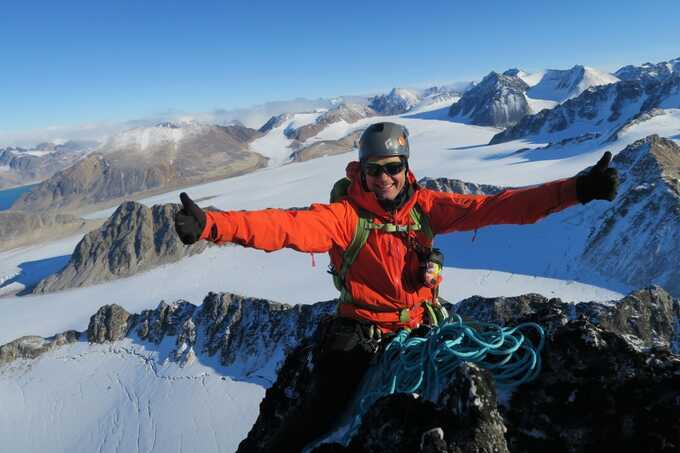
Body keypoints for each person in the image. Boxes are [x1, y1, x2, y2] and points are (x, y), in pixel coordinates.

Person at [174, 122, 618, 451]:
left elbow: (497, 207)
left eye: (392, 168)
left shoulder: (426, 208)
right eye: (373, 170)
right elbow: (286, 226)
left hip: (421, 327)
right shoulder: (345, 217)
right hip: (361, 334)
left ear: (406, 169)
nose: (383, 178)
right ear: (361, 173)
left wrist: (577, 190)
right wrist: (213, 224)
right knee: (314, 419)